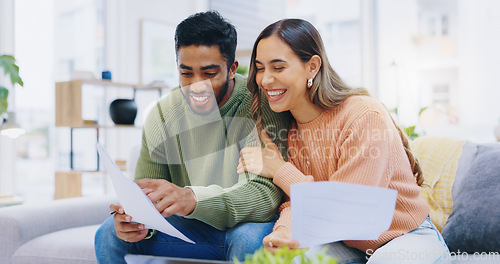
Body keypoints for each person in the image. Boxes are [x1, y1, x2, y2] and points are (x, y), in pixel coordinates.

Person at [237, 18, 450, 264]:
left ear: (312, 67)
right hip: (347, 243)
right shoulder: (289, 129)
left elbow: (348, 208)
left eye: (278, 67)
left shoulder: (363, 115)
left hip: (405, 236)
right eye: (260, 68)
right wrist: (284, 232)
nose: (264, 80)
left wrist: (280, 169)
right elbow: (297, 203)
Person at [94, 11, 291, 263]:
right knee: (108, 233)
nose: (197, 85)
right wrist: (138, 222)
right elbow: (147, 195)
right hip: (191, 229)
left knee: (248, 240)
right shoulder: (162, 115)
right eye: (186, 73)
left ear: (231, 69)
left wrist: (193, 198)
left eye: (209, 73)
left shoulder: (258, 104)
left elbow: (264, 197)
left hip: (244, 226)